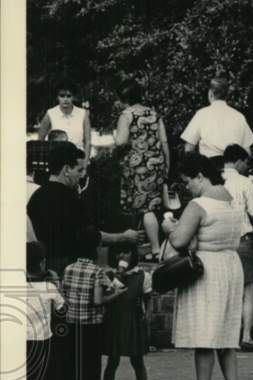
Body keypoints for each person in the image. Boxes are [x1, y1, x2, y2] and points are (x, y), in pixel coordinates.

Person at [166, 154, 244, 380]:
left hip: (207, 268)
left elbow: (178, 241)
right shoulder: (232, 200)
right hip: (231, 265)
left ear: (200, 175)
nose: (187, 186)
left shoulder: (199, 204)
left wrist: (169, 228)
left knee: (205, 333)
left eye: (188, 181)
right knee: (226, 333)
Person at [27, 142, 139, 276]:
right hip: (72, 270)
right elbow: (90, 236)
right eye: (79, 170)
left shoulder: (36, 197)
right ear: (67, 169)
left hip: (45, 268)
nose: (82, 175)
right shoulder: (70, 199)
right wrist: (123, 237)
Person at [62, 228, 127, 380]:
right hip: (91, 324)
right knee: (91, 367)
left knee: (74, 366)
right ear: (95, 249)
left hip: (72, 322)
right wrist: (117, 294)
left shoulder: (68, 268)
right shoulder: (96, 271)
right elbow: (98, 300)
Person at [114, 80, 170, 260]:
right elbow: (164, 141)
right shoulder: (154, 113)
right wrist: (167, 164)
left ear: (123, 98)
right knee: (152, 205)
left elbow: (121, 141)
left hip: (137, 166)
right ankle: (149, 248)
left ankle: (154, 249)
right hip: (157, 163)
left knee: (143, 208)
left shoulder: (126, 114)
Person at [100, 244, 157, 380]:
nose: (122, 256)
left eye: (126, 252)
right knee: (113, 359)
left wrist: (148, 314)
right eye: (118, 253)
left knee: (138, 360)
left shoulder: (142, 275)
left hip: (134, 319)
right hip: (115, 320)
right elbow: (107, 296)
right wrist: (119, 275)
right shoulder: (109, 274)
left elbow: (148, 298)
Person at [221, 144, 253, 351]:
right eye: (246, 162)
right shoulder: (244, 182)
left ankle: (224, 335)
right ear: (238, 161)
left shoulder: (215, 180)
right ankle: (246, 336)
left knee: (224, 289)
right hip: (242, 239)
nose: (247, 167)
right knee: (247, 289)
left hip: (220, 241)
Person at [24, 241, 66, 380]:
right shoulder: (49, 287)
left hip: (21, 342)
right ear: (42, 263)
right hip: (43, 341)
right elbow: (62, 308)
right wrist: (58, 284)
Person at [180, 78, 253, 165]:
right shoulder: (239, 116)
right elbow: (248, 151)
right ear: (227, 95)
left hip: (209, 169)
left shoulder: (202, 114)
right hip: (234, 169)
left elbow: (189, 147)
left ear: (210, 93)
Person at [37, 83, 91, 159]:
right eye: (62, 96)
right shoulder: (50, 113)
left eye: (69, 96)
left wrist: (85, 165)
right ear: (57, 97)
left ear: (74, 97)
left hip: (78, 161)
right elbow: (40, 140)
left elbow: (88, 142)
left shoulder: (83, 114)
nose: (65, 99)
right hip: (56, 160)